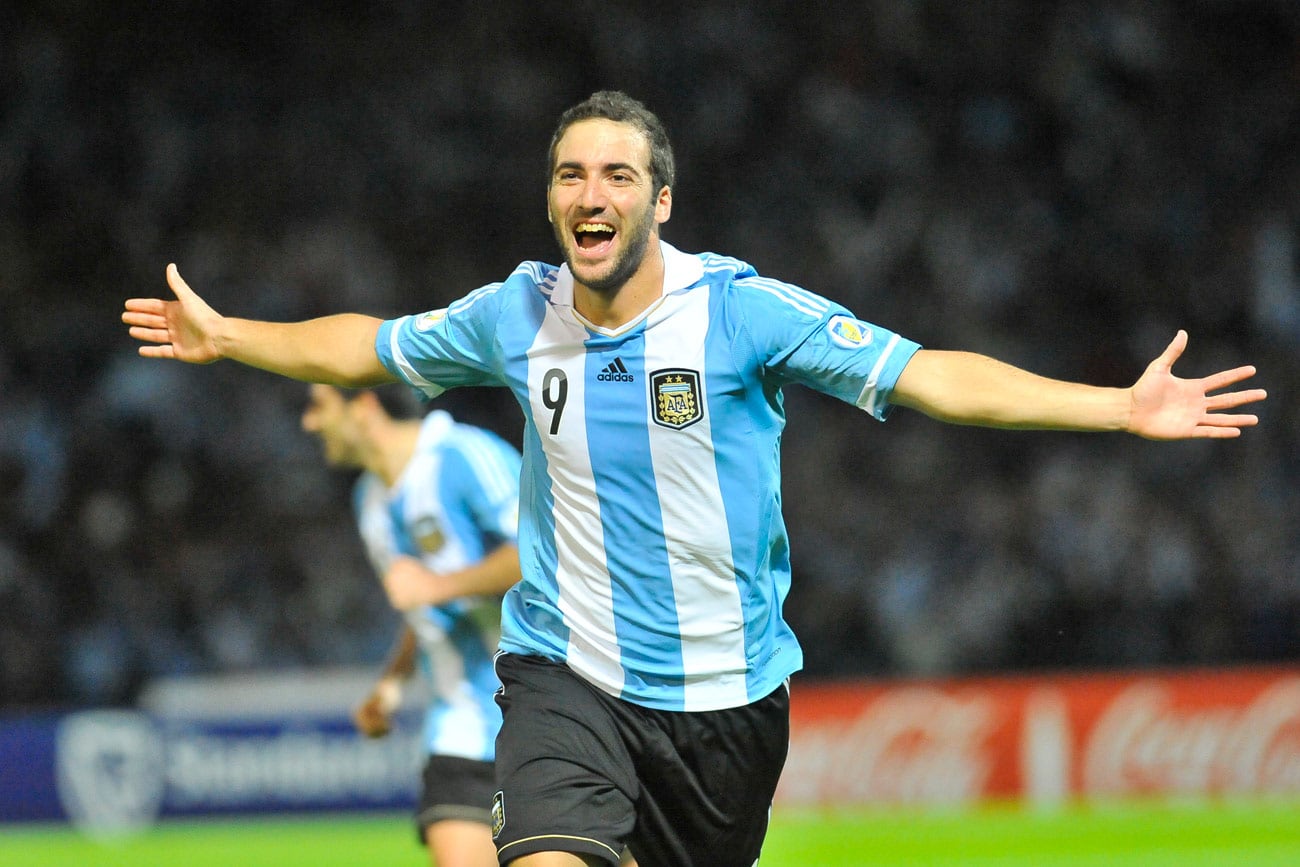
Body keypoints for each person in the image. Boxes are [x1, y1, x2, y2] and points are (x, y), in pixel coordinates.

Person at [123, 90, 1267, 867]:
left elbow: (928, 378)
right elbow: (366, 346)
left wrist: (1114, 406)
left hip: (728, 704)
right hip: (565, 673)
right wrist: (234, 337)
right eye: (571, 174)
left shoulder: (738, 312)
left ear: (660, 201)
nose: (591, 194)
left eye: (618, 174)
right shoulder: (512, 312)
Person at [300, 382, 523, 867]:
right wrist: (393, 681)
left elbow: (545, 555)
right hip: (460, 722)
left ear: (364, 405)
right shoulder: (370, 501)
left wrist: (439, 587)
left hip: (546, 712)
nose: (309, 422)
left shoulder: (465, 456)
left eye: (319, 405)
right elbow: (421, 610)